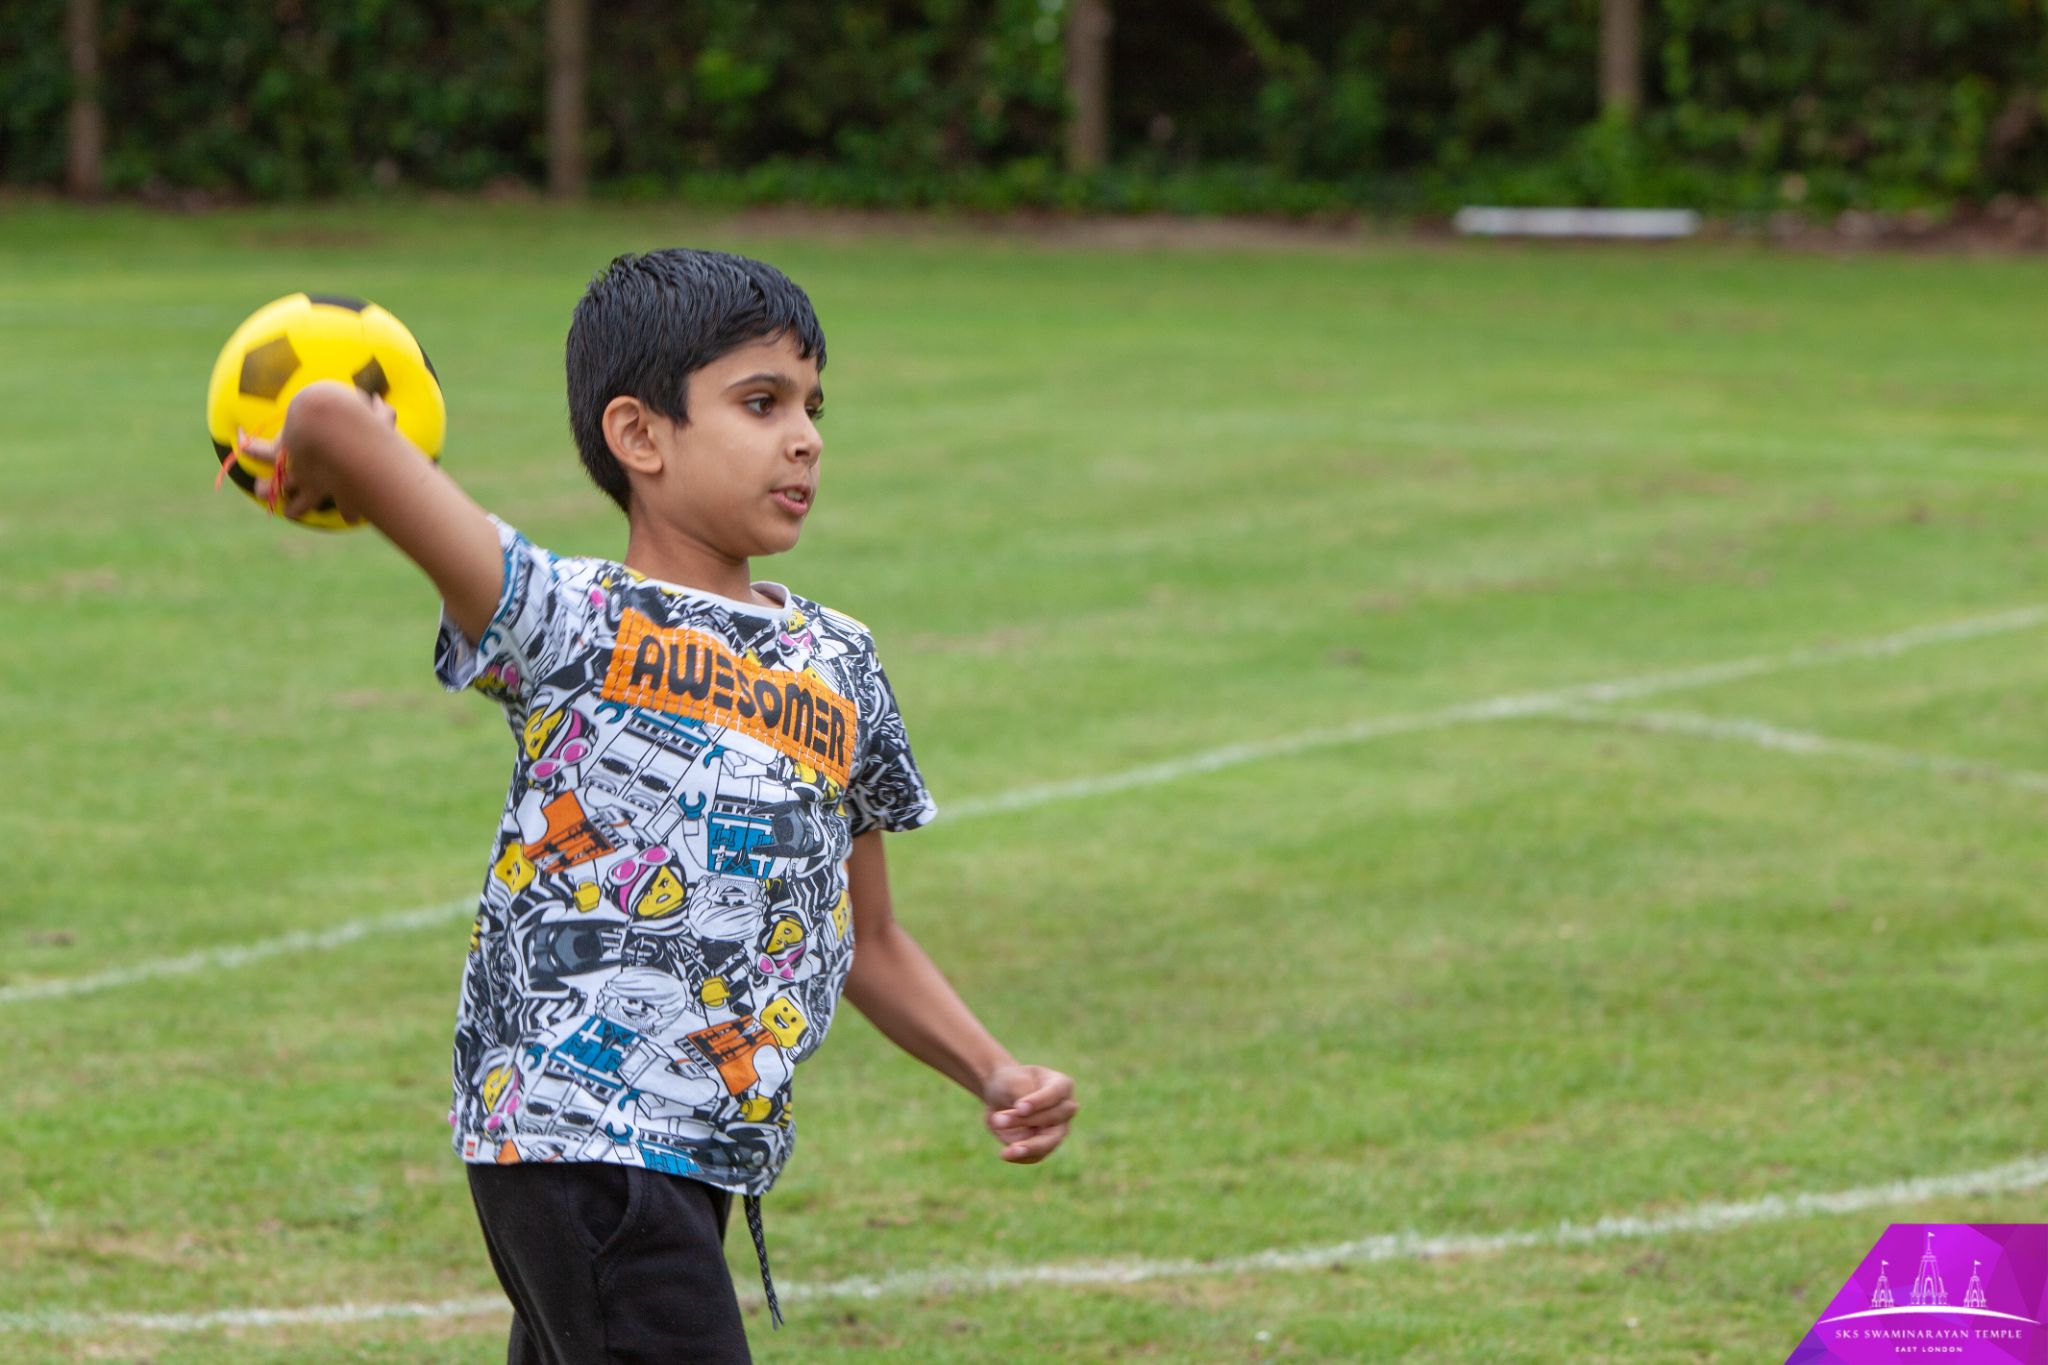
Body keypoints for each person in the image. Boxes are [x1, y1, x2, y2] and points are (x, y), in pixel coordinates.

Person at [233, 248, 1078, 1363]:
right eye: (760, 402)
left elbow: (868, 938)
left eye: (813, 405)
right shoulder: (568, 620)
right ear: (639, 436)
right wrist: (315, 444)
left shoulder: (838, 663)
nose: (806, 437)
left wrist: (992, 1069)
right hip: (577, 1139)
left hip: (696, 1151)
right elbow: (335, 415)